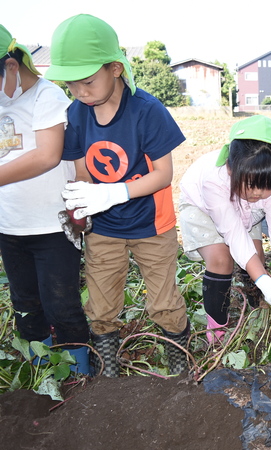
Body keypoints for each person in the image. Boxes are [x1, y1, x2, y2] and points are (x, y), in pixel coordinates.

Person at [44, 14, 190, 377]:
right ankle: (109, 370)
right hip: (105, 228)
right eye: (71, 84)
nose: (80, 92)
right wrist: (79, 208)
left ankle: (179, 366)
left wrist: (116, 192)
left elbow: (163, 174)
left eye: (87, 82)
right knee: (101, 303)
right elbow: (82, 174)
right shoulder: (76, 114)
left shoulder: (147, 111)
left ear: (115, 68)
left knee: (163, 303)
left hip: (151, 224)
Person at [0, 25, 90, 373]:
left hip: (52, 227)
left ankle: (78, 379)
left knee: (62, 306)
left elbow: (47, 155)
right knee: (25, 306)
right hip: (11, 227)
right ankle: (42, 376)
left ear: (10, 67)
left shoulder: (46, 97)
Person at [178, 115, 271, 344]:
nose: (258, 193)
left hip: (246, 211)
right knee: (222, 260)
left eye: (266, 187)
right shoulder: (213, 181)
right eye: (251, 185)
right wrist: (265, 281)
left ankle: (255, 314)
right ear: (231, 169)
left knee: (256, 260)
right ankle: (216, 331)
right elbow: (233, 233)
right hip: (202, 206)